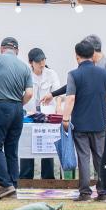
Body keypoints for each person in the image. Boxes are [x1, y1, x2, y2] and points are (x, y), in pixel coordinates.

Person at [0, 37, 33, 200]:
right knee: (12, 148)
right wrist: (19, 104)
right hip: (18, 109)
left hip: (0, 106)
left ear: (1, 48)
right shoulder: (25, 67)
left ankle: (5, 184)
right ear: (17, 50)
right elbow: (30, 93)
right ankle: (14, 184)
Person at [63, 39, 106, 202]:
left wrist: (65, 118)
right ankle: (103, 192)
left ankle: (85, 193)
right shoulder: (105, 74)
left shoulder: (74, 74)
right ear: (93, 55)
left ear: (77, 56)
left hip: (81, 123)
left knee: (83, 157)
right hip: (100, 122)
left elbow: (70, 99)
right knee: (100, 157)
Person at [20, 47, 61, 180]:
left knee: (47, 145)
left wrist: (58, 109)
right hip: (29, 115)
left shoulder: (51, 74)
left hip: (47, 116)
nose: (42, 64)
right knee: (26, 144)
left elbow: (58, 93)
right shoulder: (26, 73)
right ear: (31, 62)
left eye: (43, 60)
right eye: (38, 61)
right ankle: (26, 177)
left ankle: (48, 178)